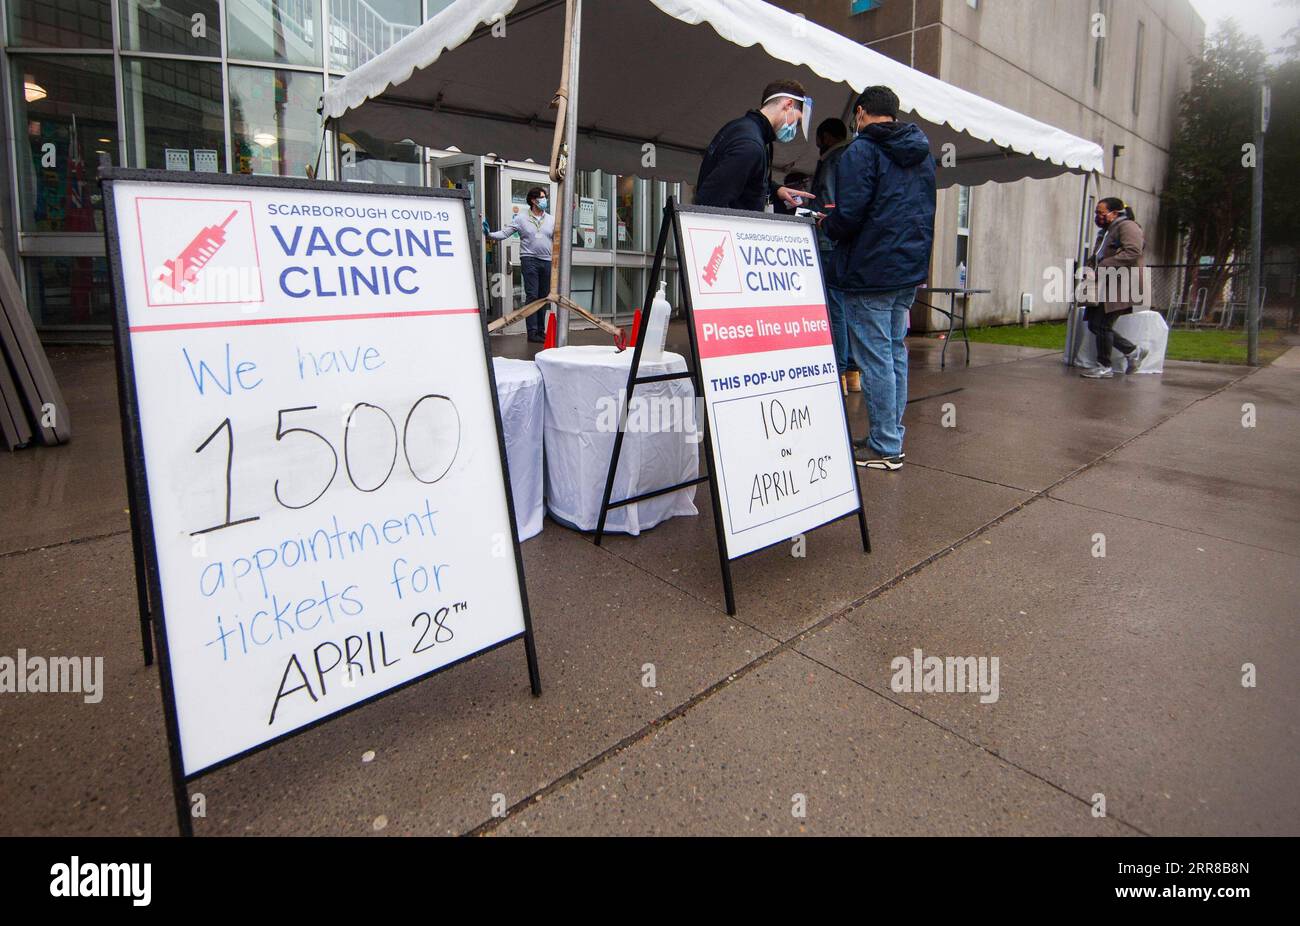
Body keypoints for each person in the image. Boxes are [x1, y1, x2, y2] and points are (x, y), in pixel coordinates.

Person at [819, 86, 936, 471]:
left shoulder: (861, 150)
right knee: (893, 353)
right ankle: (890, 436)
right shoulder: (921, 151)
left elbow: (850, 214)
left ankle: (886, 446)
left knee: (875, 360)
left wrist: (828, 224)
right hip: (907, 269)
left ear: (862, 112)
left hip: (870, 269)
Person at [695, 79, 813, 212]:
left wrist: (775, 190)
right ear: (788, 105)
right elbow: (711, 202)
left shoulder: (740, 128)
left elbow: (743, 179)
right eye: (797, 121)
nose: (794, 129)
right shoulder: (751, 145)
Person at [809, 117, 859, 395]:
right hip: (847, 243)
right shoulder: (855, 156)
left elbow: (826, 205)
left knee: (835, 307)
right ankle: (852, 371)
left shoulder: (832, 160)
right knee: (846, 306)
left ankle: (839, 372)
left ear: (826, 137)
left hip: (828, 240)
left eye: (818, 140)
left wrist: (818, 220)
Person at [1080, 197, 1149, 379]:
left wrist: (1103, 264)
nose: (1097, 216)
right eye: (1096, 213)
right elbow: (1098, 254)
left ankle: (1104, 366)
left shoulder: (1127, 227)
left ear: (1114, 213)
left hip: (1120, 285)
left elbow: (1133, 251)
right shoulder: (1106, 231)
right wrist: (1089, 268)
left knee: (1102, 324)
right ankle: (1133, 352)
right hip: (1105, 284)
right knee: (1095, 324)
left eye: (1101, 213)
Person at [486, 187, 554, 342]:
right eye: (542, 198)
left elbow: (557, 239)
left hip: (547, 261)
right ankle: (532, 332)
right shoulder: (521, 218)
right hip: (529, 260)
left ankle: (541, 331)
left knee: (543, 298)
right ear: (533, 200)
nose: (545, 201)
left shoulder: (550, 219)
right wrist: (489, 234)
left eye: (545, 198)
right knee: (532, 295)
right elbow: (504, 233)